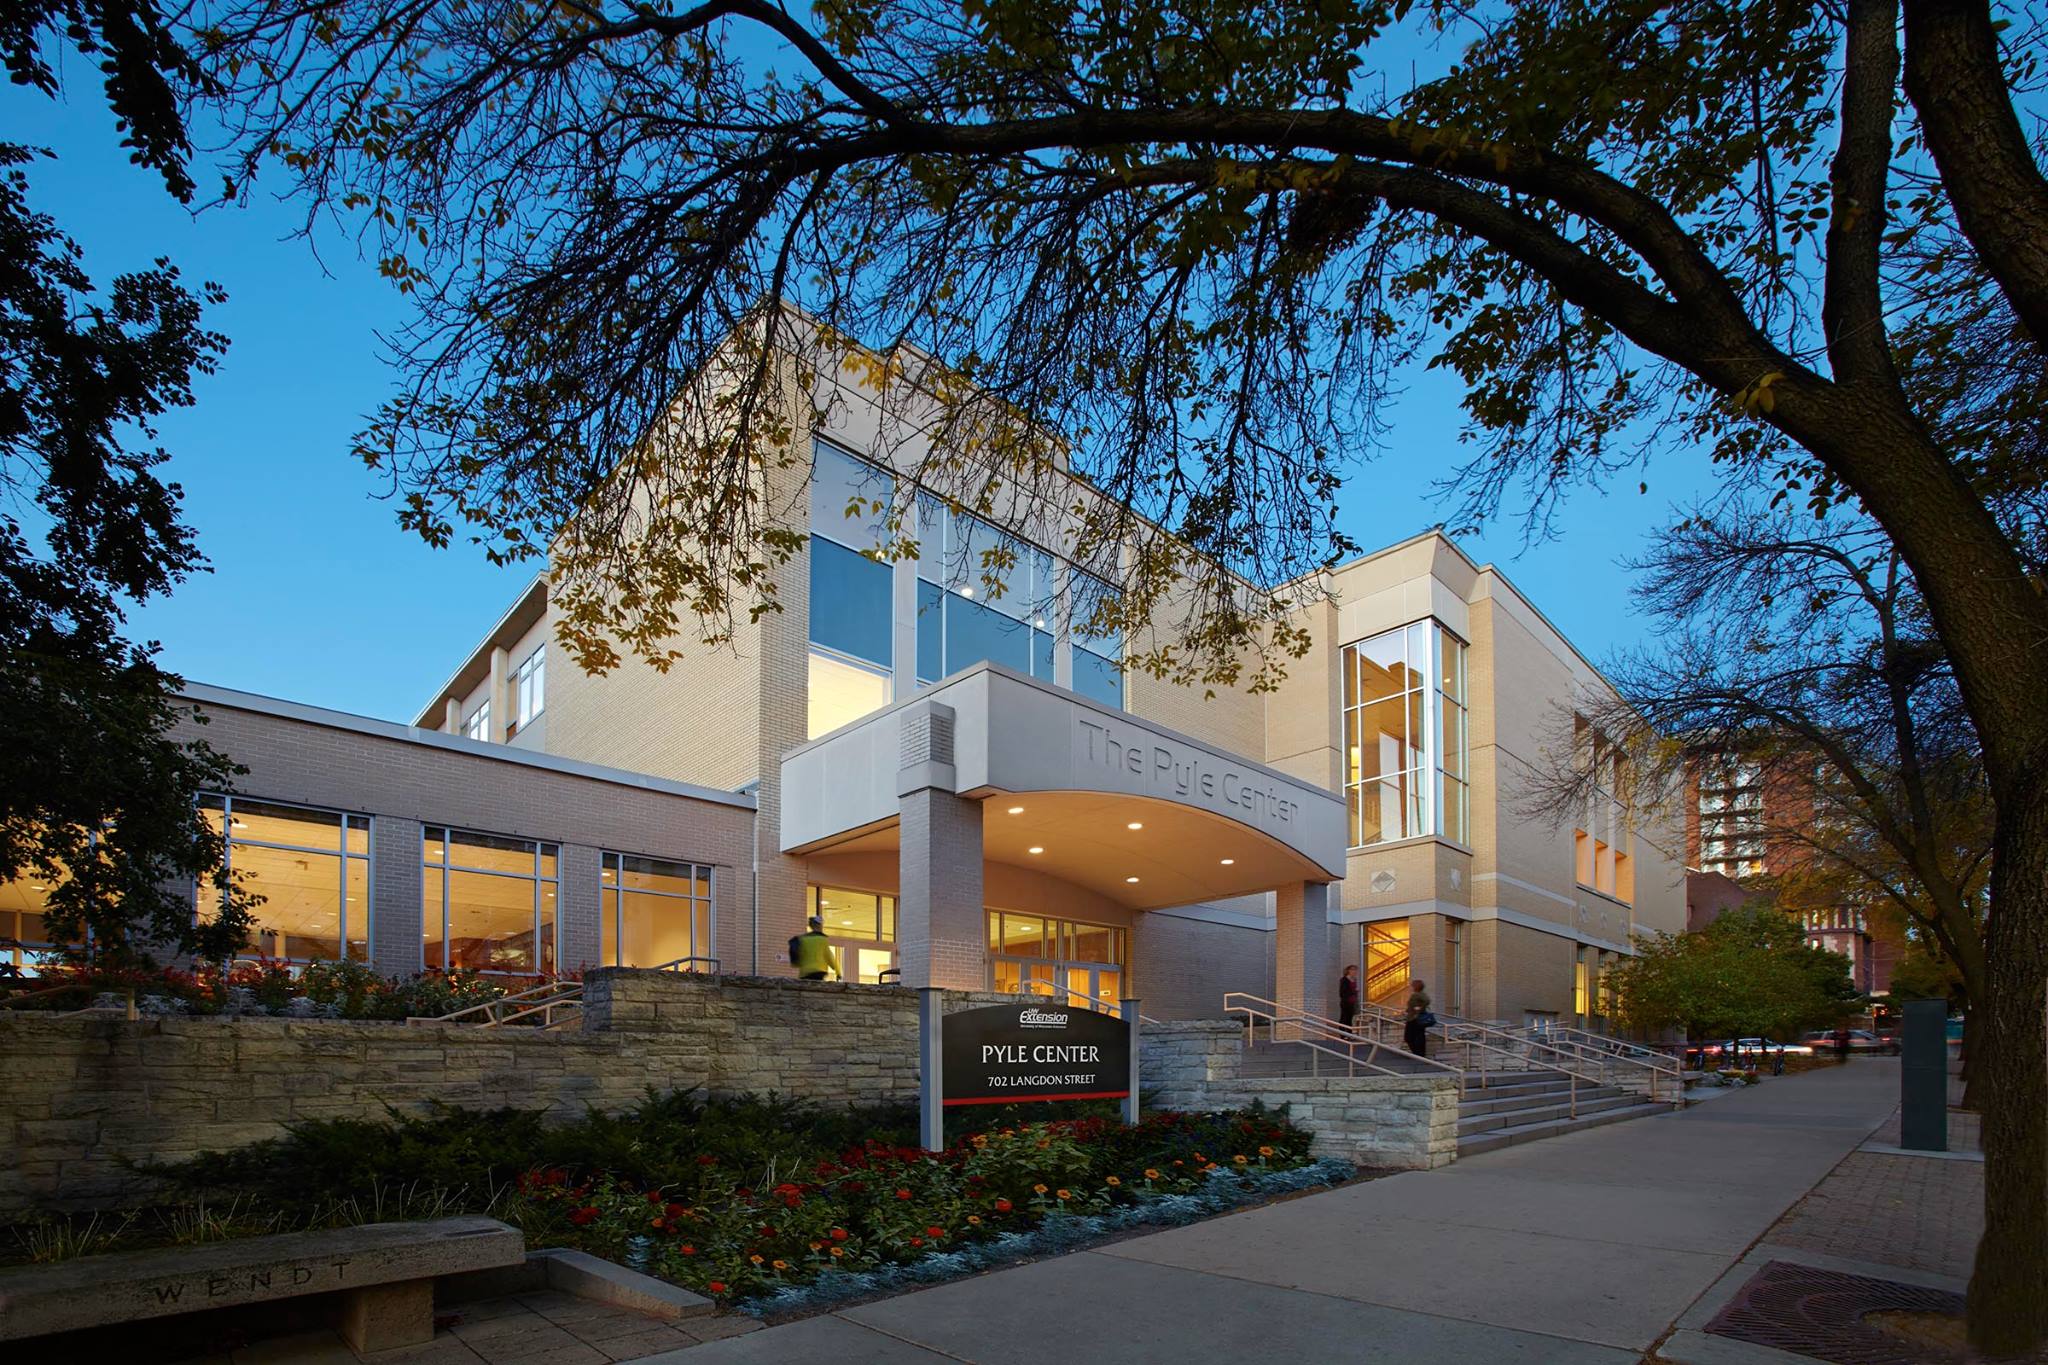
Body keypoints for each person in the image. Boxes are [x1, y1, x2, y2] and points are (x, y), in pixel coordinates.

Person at [789, 916, 840, 982]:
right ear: (820, 926)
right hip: (819, 972)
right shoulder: (822, 939)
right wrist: (838, 972)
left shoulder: (803, 939)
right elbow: (829, 957)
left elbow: (800, 956)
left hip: (805, 972)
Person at [1402, 978, 1432, 1057]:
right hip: (1416, 1017)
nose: (1411, 987)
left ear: (1415, 986)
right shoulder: (1421, 994)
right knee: (1419, 1036)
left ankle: (1417, 1054)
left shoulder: (1417, 995)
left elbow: (1426, 1001)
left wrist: (1418, 1009)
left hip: (1414, 1018)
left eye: (1412, 985)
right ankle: (1420, 1054)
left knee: (1409, 1037)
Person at [1338, 965, 1360, 1030]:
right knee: (1344, 1017)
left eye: (1355, 970)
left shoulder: (1354, 979)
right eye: (1353, 970)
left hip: (1353, 1002)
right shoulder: (1344, 980)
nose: (1354, 972)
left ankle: (1349, 1032)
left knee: (1350, 1018)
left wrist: (1355, 993)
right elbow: (1342, 992)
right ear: (1348, 971)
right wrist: (1354, 991)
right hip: (1346, 1002)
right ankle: (1342, 1033)